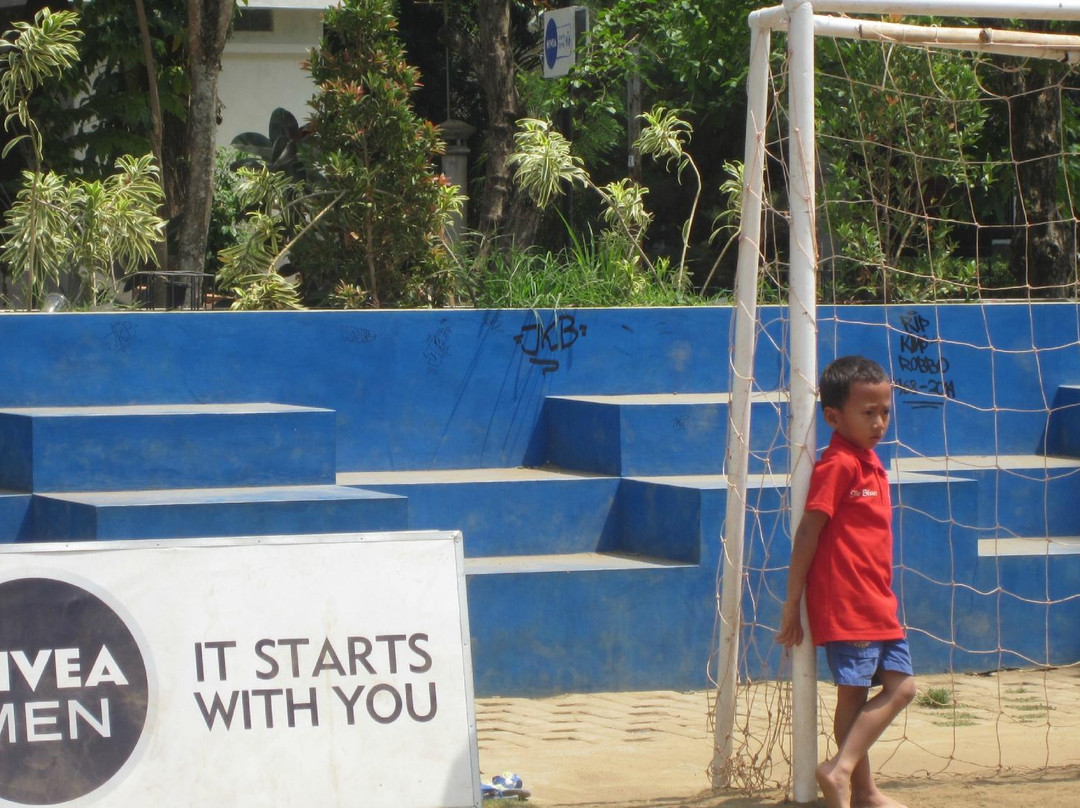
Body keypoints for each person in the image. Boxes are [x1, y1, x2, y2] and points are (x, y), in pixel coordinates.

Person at [776, 355, 916, 808]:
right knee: (857, 695)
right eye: (868, 412)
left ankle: (856, 782)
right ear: (834, 417)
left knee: (902, 687)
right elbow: (808, 533)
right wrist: (792, 600)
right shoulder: (837, 465)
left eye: (885, 411)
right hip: (847, 603)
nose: (879, 422)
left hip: (879, 601)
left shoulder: (871, 462)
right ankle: (850, 779)